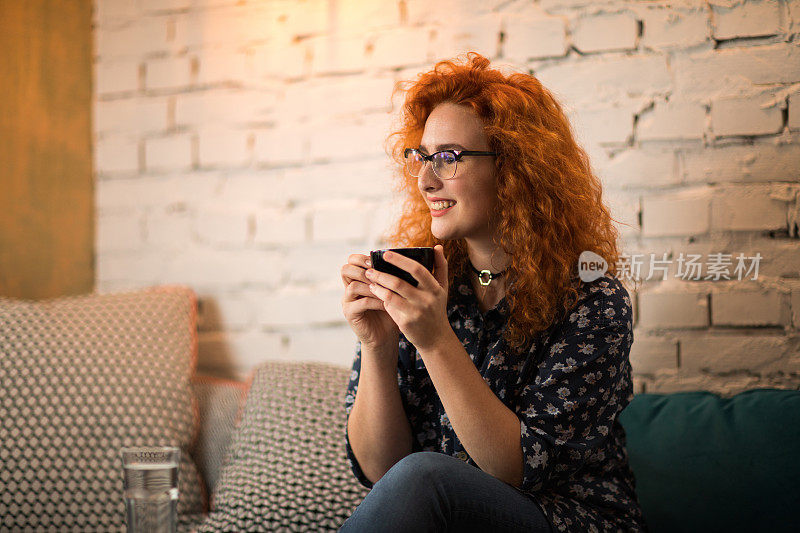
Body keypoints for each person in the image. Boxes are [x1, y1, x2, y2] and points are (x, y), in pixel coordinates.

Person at [338, 52, 647, 532]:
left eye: (447, 157)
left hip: (565, 521)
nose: (424, 179)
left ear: (514, 168)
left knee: (428, 477)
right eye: (420, 156)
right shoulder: (431, 289)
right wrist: (378, 345)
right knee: (418, 477)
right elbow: (381, 473)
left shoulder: (593, 304)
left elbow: (516, 471)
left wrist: (435, 340)